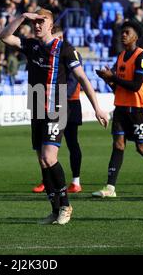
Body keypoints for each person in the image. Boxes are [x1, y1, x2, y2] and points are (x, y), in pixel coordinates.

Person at [0, 9, 109, 225]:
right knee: (42, 161)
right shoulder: (31, 45)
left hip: (56, 107)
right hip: (36, 106)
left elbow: (83, 79)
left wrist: (97, 107)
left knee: (50, 158)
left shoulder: (65, 49)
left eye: (42, 21)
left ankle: (66, 206)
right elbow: (4, 37)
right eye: (36, 21)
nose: (38, 25)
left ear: (51, 25)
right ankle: (55, 209)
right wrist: (22, 17)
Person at [94, 20, 143, 198]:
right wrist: (109, 80)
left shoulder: (142, 57)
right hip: (121, 107)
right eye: (122, 32)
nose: (123, 35)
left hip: (139, 108)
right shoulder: (121, 56)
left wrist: (113, 77)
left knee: (141, 147)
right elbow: (118, 88)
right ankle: (110, 188)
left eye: (127, 32)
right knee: (118, 144)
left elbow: (136, 86)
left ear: (136, 36)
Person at [33, 25, 84, 194]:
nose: (59, 40)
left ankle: (76, 181)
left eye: (61, 37)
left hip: (70, 103)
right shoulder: (45, 53)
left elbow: (74, 80)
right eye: (57, 37)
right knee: (45, 148)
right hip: (49, 103)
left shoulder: (70, 52)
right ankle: (46, 180)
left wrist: (58, 96)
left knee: (72, 142)